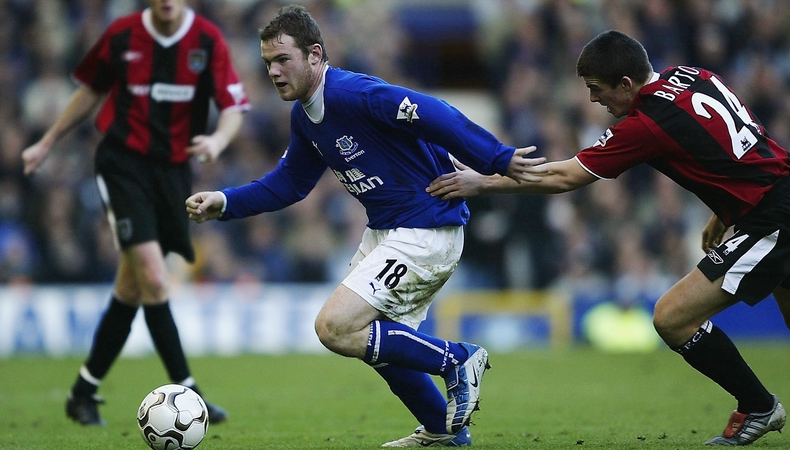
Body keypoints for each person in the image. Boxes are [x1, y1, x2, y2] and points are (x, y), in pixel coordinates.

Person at [185, 5, 541, 447]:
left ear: (315, 55)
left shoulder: (354, 94)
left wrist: (496, 158)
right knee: (374, 341)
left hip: (425, 229)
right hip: (387, 232)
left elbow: (434, 112)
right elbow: (290, 183)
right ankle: (442, 430)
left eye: (283, 59)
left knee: (335, 327)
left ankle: (457, 359)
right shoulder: (305, 116)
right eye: (268, 63)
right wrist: (225, 202)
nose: (273, 71)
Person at [427, 29, 789, 446]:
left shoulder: (647, 123)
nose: (594, 99)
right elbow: (738, 147)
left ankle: (758, 406)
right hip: (773, 197)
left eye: (597, 89)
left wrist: (483, 183)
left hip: (772, 217)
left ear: (626, 84)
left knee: (672, 317)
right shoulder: (692, 75)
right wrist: (723, 211)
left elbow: (564, 176)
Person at [21, 0, 250, 426]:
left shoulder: (207, 40)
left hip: (173, 175)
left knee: (131, 286)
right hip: (123, 167)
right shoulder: (122, 35)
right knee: (154, 277)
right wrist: (48, 141)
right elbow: (90, 91)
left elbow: (234, 107)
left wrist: (217, 141)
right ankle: (190, 392)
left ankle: (82, 393)